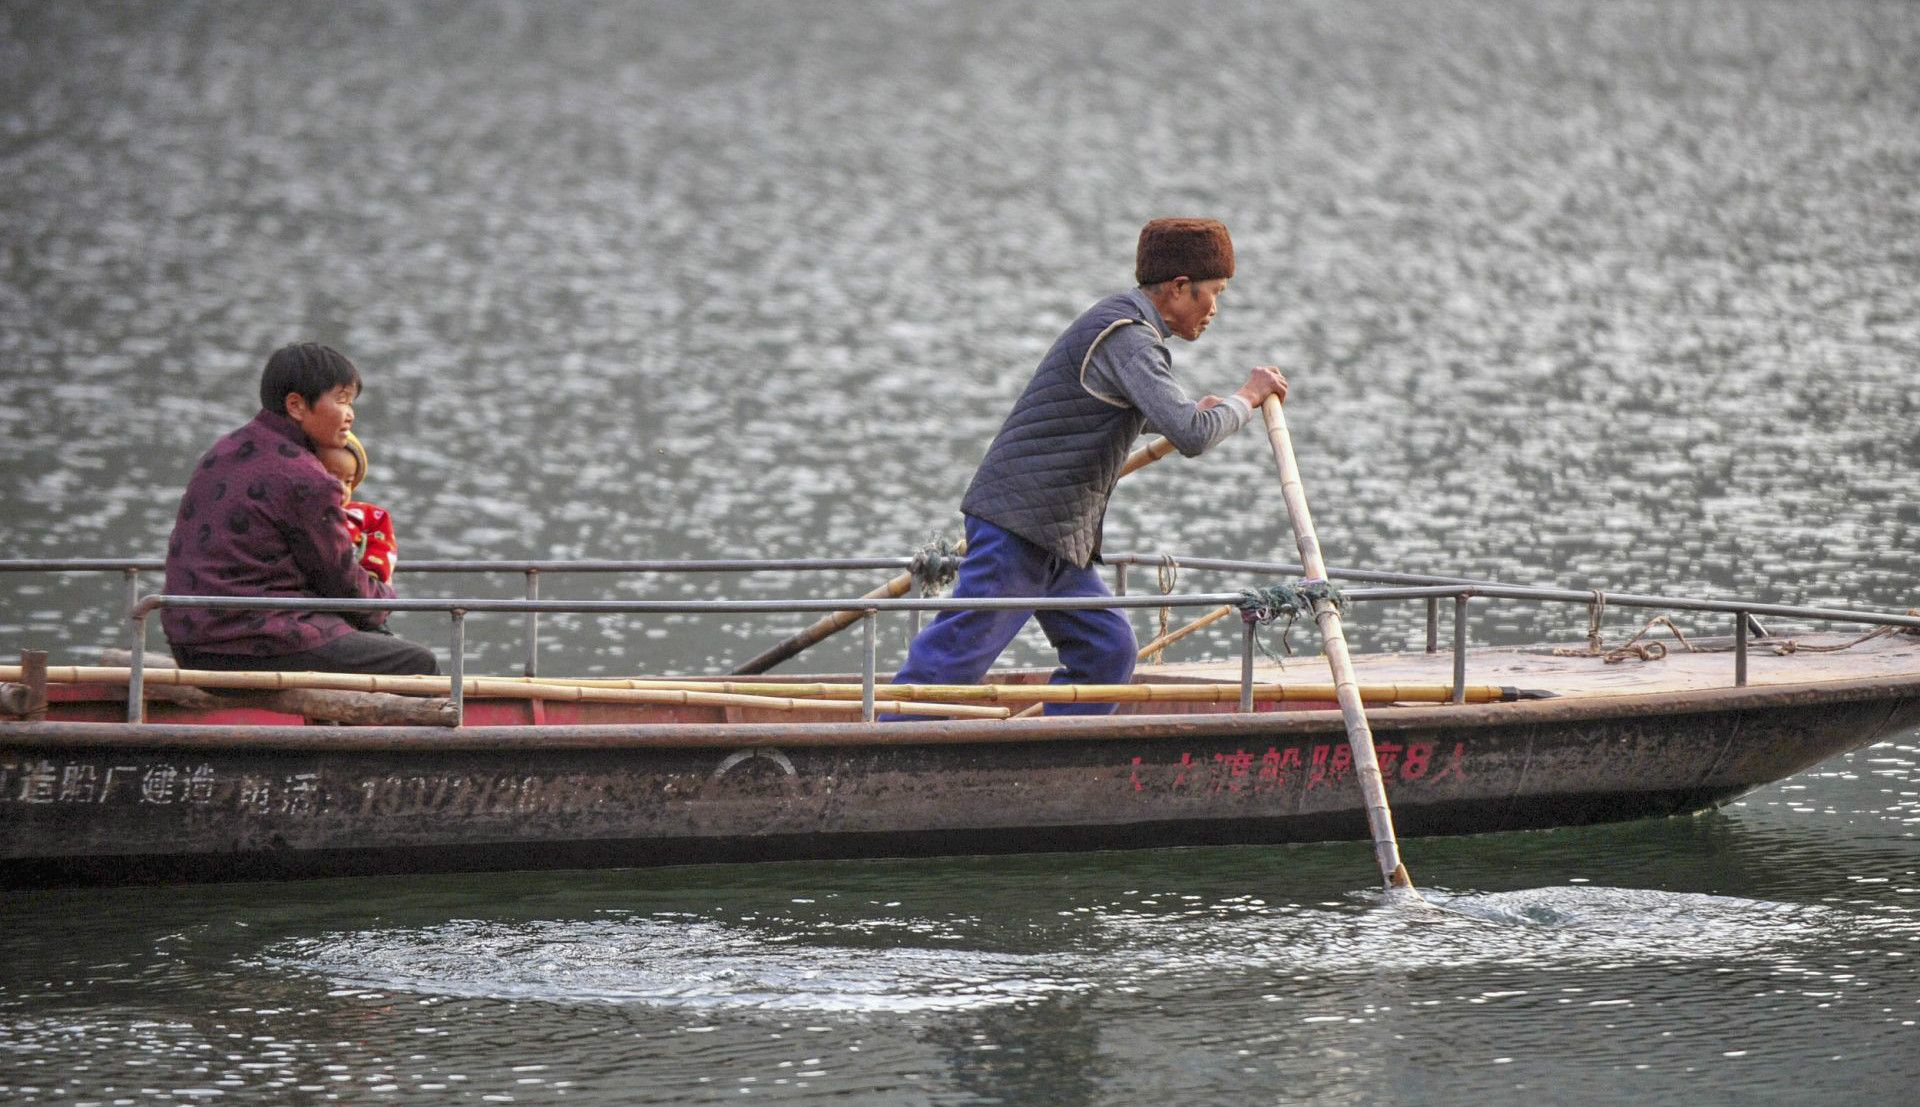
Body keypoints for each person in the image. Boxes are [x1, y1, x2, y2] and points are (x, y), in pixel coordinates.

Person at [887, 218, 1287, 717]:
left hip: (1058, 533)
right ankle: (880, 741)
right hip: (1023, 524)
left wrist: (1199, 411)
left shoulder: (1119, 322)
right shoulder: (1131, 338)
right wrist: (1248, 398)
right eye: (1213, 293)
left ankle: (1047, 761)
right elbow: (1191, 435)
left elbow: (1097, 411)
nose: (1215, 309)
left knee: (1106, 652)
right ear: (1180, 288)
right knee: (955, 656)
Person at [162, 342, 437, 675]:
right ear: (296, 405)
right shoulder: (306, 477)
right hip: (254, 641)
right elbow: (339, 579)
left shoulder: (223, 450)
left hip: (190, 640)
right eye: (341, 400)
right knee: (417, 662)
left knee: (365, 634)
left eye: (351, 402)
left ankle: (336, 725)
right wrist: (384, 597)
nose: (350, 414)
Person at [317, 432, 399, 585]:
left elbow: (382, 543)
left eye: (348, 482)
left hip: (355, 587)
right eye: (333, 478)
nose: (342, 488)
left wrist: (373, 570)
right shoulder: (298, 514)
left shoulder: (362, 515)